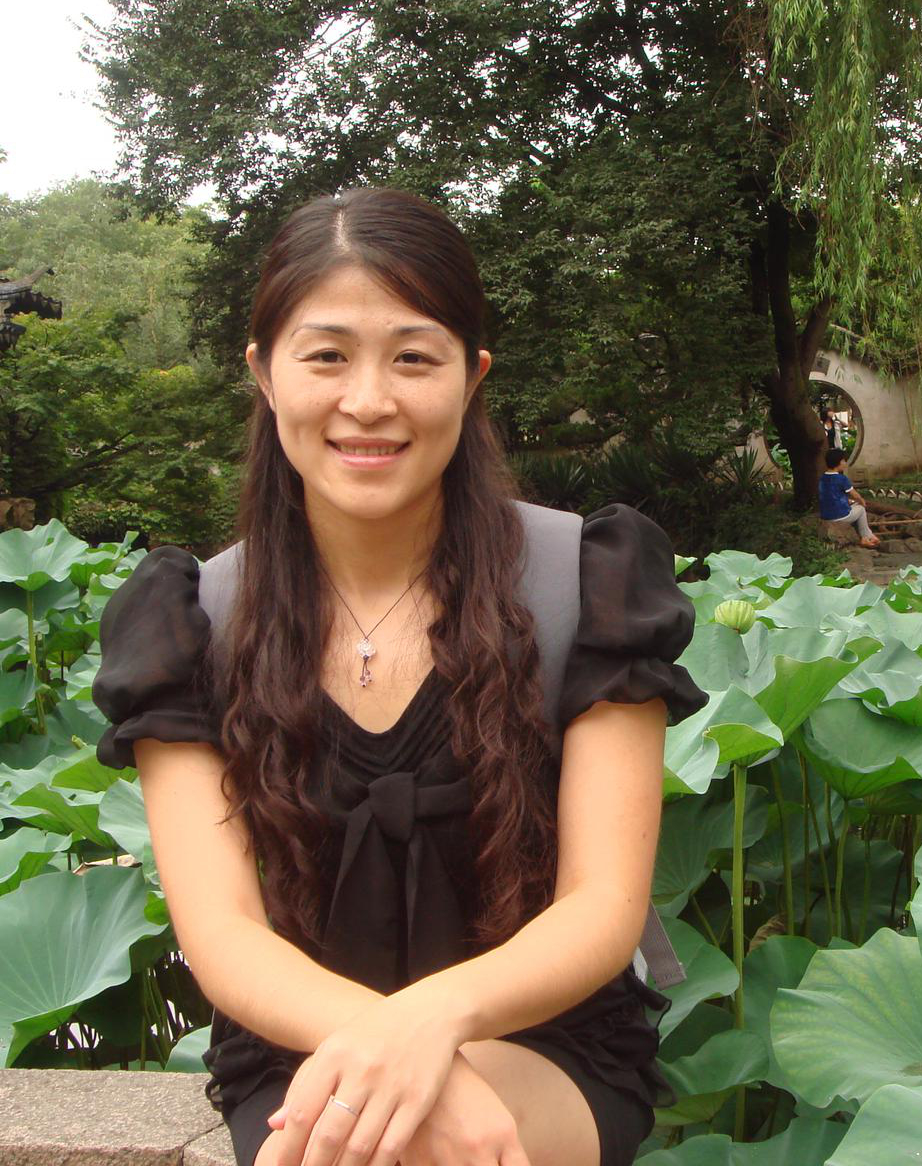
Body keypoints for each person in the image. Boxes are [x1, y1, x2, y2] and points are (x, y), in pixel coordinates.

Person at [91, 189, 706, 1166]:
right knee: (387, 1139)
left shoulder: (587, 584)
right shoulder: (188, 623)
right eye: (326, 354)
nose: (369, 400)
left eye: (413, 356)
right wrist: (384, 1049)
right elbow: (222, 936)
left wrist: (434, 1025)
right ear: (262, 373)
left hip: (544, 1035)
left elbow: (602, 904)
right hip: (302, 1044)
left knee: (402, 1150)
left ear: (472, 378)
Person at [817, 447, 878, 547]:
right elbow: (855, 495)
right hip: (839, 516)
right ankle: (866, 537)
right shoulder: (841, 478)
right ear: (839, 462)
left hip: (826, 516)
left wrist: (848, 501)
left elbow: (832, 495)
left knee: (854, 506)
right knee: (861, 509)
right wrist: (862, 501)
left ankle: (867, 535)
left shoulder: (823, 478)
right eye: (844, 460)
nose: (845, 463)